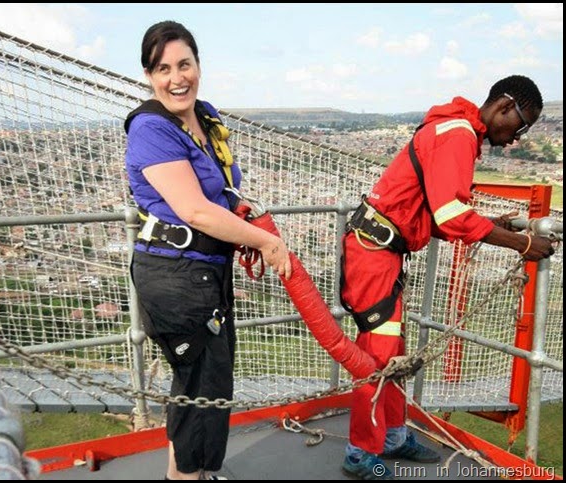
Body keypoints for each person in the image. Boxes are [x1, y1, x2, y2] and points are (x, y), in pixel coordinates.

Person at [339, 74, 555, 480]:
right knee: (379, 356)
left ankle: (391, 436)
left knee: (391, 352)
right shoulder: (457, 135)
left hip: (379, 251)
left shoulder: (454, 129)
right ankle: (360, 450)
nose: (516, 139)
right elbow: (451, 215)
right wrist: (521, 244)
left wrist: (488, 224)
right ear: (504, 107)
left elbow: (435, 210)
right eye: (521, 126)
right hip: (374, 254)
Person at [125, 21, 292, 480]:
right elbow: (194, 211)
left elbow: (221, 191)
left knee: (203, 383)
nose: (177, 78)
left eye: (185, 64)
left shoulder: (206, 116)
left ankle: (187, 474)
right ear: (148, 75)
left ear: (199, 66)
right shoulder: (150, 129)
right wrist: (264, 240)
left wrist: (240, 216)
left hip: (204, 272)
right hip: (176, 275)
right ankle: (185, 477)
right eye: (163, 69)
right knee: (200, 384)